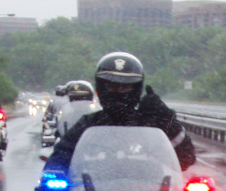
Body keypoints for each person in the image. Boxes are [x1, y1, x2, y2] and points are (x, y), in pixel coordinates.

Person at [42, 51, 195, 176]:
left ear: (136, 89)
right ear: (101, 88)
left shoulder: (151, 124)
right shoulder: (88, 124)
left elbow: (186, 157)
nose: (118, 93)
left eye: (125, 88)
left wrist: (166, 118)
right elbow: (61, 155)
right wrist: (54, 173)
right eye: (112, 86)